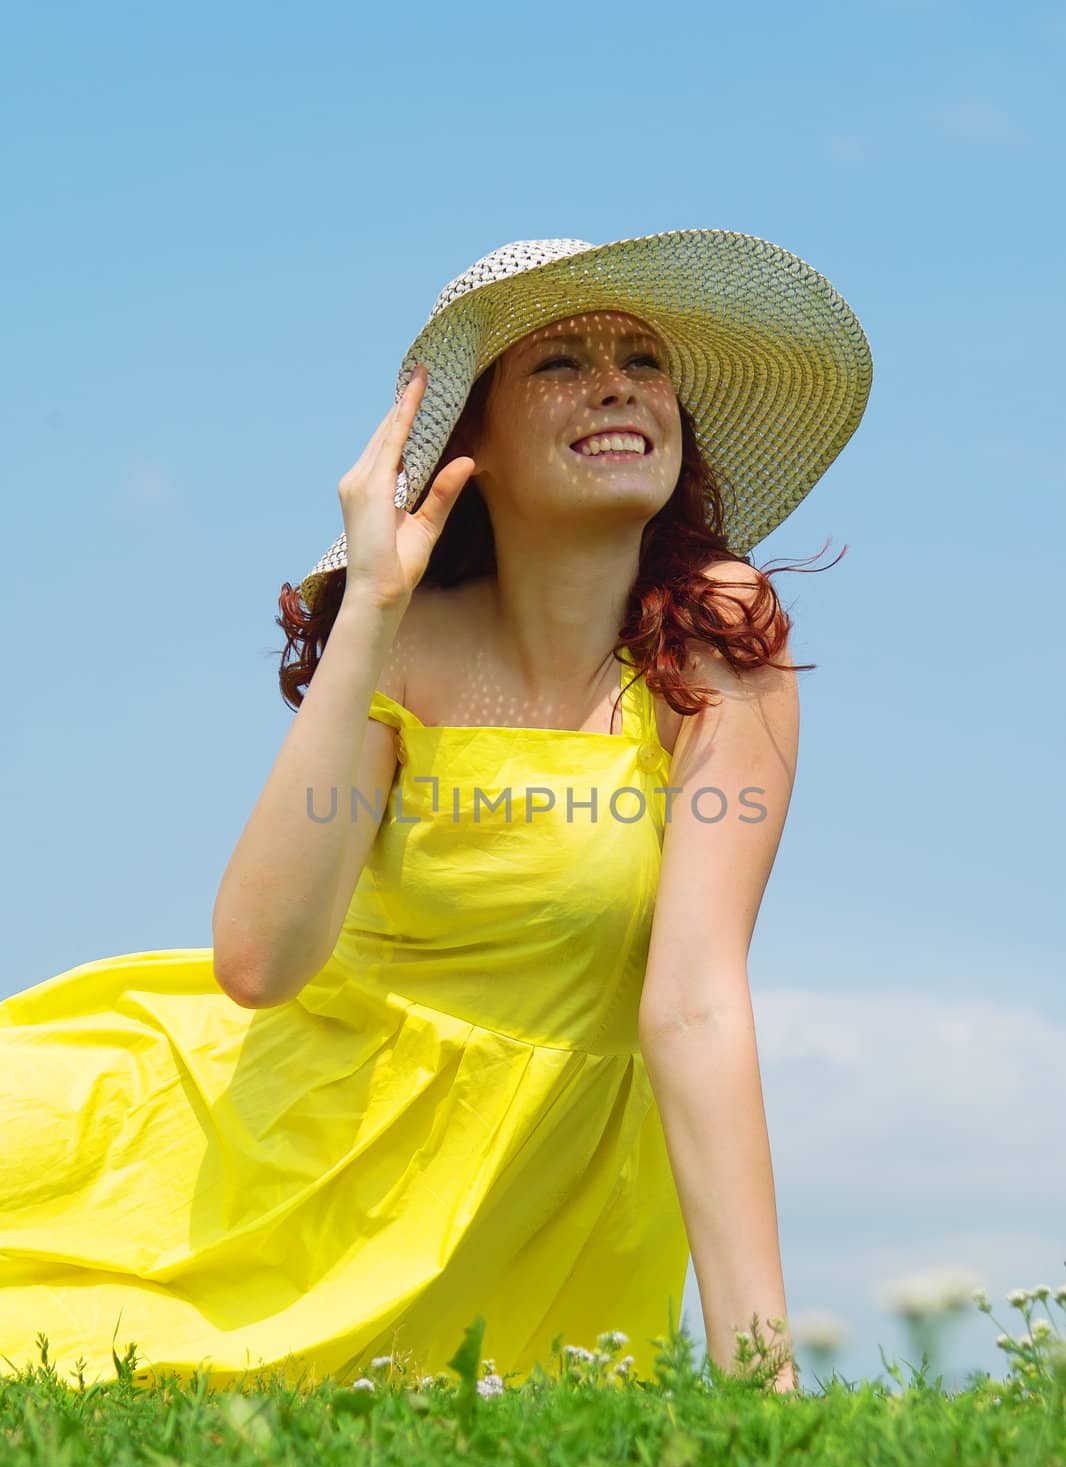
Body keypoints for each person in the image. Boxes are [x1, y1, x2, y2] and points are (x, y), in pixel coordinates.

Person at [0, 232, 873, 1394]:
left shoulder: (717, 630)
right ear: (474, 446)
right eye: (559, 362)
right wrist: (368, 607)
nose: (616, 381)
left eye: (642, 359)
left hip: (526, 1200)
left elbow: (696, 1000)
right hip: (285, 1136)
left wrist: (761, 1382)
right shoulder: (404, 647)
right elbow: (259, 961)